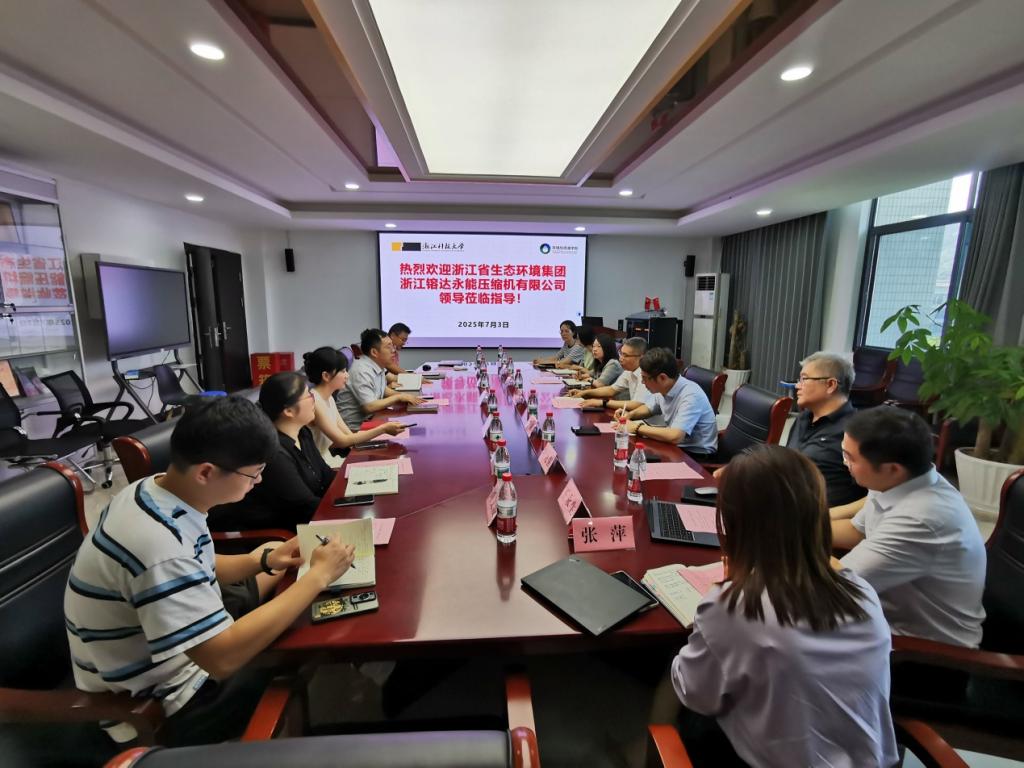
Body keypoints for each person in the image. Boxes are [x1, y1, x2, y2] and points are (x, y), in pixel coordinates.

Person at [64, 396, 355, 748]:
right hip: (165, 701)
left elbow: (199, 562)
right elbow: (222, 659)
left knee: (293, 598)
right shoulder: (157, 545)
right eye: (254, 473)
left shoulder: (154, 491)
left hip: (175, 651)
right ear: (205, 472)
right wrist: (318, 577)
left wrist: (262, 560)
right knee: (309, 649)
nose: (259, 481)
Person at [671, 445, 897, 768]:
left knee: (675, 679)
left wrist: (722, 594)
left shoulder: (734, 606)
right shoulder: (861, 591)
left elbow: (695, 694)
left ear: (736, 522)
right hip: (866, 761)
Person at [833, 406, 986, 647]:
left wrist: (781, 539)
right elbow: (857, 532)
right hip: (880, 615)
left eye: (850, 457)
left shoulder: (922, 519)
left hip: (923, 649)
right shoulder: (898, 480)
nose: (844, 463)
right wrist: (788, 524)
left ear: (892, 469)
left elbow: (835, 584)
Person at [208, 372, 334, 531]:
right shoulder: (273, 453)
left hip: (313, 521)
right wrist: (343, 511)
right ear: (288, 411)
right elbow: (305, 507)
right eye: (308, 395)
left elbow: (326, 475)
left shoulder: (303, 433)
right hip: (284, 534)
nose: (314, 399)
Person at [304, 346, 408, 467]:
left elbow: (349, 436)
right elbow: (342, 441)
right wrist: (383, 429)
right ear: (326, 376)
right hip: (319, 466)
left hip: (327, 460)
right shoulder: (316, 401)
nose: (347, 375)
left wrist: (377, 443)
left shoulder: (329, 398)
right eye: (343, 371)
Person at [787, 352, 865, 510]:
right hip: (788, 505)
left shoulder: (858, 430)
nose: (797, 386)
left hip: (824, 516)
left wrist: (825, 518)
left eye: (804, 379)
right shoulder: (803, 418)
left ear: (830, 385)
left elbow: (874, 496)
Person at [619, 347, 718, 455]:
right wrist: (630, 415)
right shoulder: (664, 388)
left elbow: (675, 436)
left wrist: (637, 428)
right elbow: (649, 408)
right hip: (676, 447)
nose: (642, 382)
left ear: (662, 378)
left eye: (645, 378)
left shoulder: (691, 395)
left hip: (695, 455)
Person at [335, 328, 424, 430]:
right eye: (388, 347)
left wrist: (407, 397)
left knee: (407, 416)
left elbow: (383, 390)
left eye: (392, 345)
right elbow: (369, 406)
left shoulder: (377, 365)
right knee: (405, 427)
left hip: (370, 418)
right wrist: (399, 397)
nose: (393, 350)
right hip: (354, 428)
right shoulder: (362, 371)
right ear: (374, 352)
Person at [570, 336, 646, 408]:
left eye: (625, 355)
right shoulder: (628, 371)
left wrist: (602, 403)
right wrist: (584, 393)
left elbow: (636, 404)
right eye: (621, 353)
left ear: (641, 357)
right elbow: (611, 390)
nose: (621, 358)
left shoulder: (645, 374)